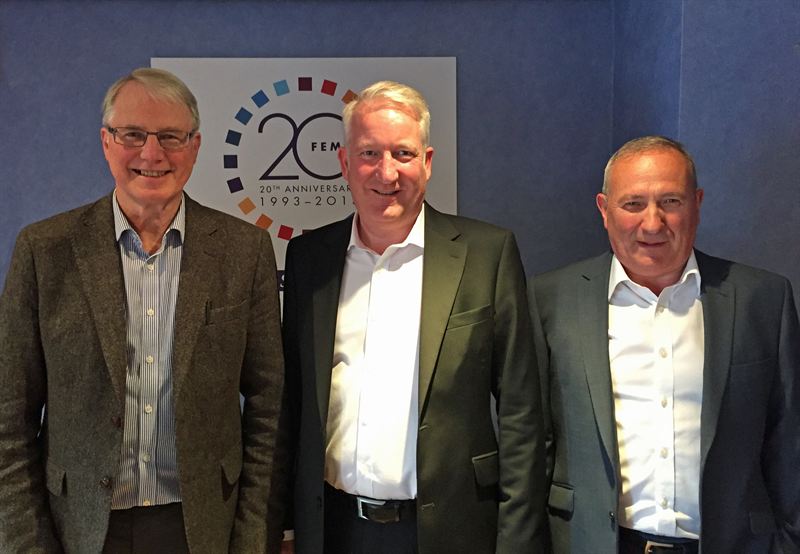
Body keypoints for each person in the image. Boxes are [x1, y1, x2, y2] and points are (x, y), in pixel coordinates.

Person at [0, 68, 286, 553]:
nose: (152, 154)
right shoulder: (44, 251)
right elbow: (9, 416)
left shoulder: (244, 250)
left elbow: (269, 407)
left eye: (170, 136)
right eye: (133, 134)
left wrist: (253, 539)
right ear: (106, 142)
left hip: (202, 528)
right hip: (79, 530)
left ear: (195, 146)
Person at [280, 81, 546, 553]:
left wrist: (518, 541)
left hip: (452, 530)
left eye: (402, 153)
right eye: (369, 153)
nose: (387, 172)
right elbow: (291, 403)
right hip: (334, 530)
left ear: (427, 162)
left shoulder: (487, 254)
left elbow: (522, 413)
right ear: (345, 163)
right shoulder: (309, 259)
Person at [528, 135, 800, 553]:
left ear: (697, 204)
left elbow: (789, 444)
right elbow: (534, 443)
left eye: (670, 201)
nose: (652, 223)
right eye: (633, 204)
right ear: (604, 210)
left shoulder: (762, 300)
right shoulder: (552, 300)